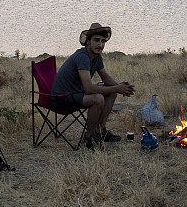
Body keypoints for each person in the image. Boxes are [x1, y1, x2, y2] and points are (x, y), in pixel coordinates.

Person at [51, 22, 135, 150]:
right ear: (88, 41)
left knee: (111, 92)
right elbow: (89, 89)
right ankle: (89, 139)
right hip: (62, 98)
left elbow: (105, 78)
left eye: (103, 41)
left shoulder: (96, 57)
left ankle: (99, 132)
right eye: (96, 40)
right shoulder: (82, 57)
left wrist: (122, 88)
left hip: (76, 93)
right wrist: (118, 88)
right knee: (98, 99)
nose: (100, 45)